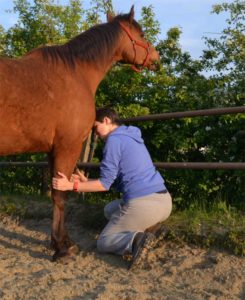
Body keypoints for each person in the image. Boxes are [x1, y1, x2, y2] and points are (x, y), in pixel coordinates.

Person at [52, 108, 172, 270]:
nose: (95, 134)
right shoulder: (129, 137)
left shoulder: (114, 141)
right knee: (110, 210)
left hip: (144, 205)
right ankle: (149, 227)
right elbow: (115, 181)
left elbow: (104, 185)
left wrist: (70, 185)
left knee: (104, 241)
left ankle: (137, 240)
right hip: (164, 202)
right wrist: (87, 181)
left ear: (107, 120)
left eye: (95, 127)